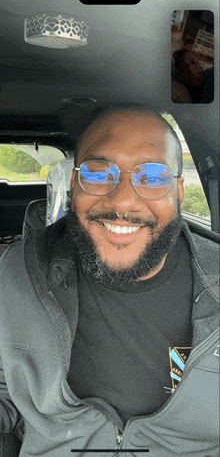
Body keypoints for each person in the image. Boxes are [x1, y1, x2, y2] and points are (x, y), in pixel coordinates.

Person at [0, 105, 219, 456]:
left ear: (179, 192)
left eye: (152, 177)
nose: (123, 200)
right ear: (74, 185)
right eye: (99, 173)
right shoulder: (16, 275)